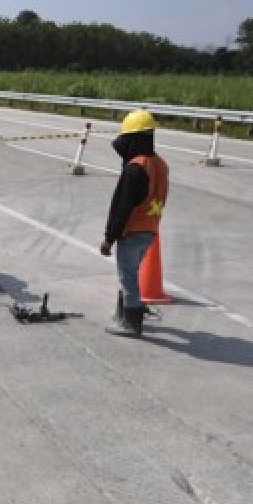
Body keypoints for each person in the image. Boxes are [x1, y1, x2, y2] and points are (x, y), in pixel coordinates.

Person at [99, 110, 169, 337]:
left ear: (132, 140)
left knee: (127, 276)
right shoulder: (160, 164)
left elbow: (122, 207)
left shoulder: (134, 169)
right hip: (150, 230)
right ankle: (124, 312)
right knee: (132, 273)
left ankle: (131, 321)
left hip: (132, 231)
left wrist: (109, 238)